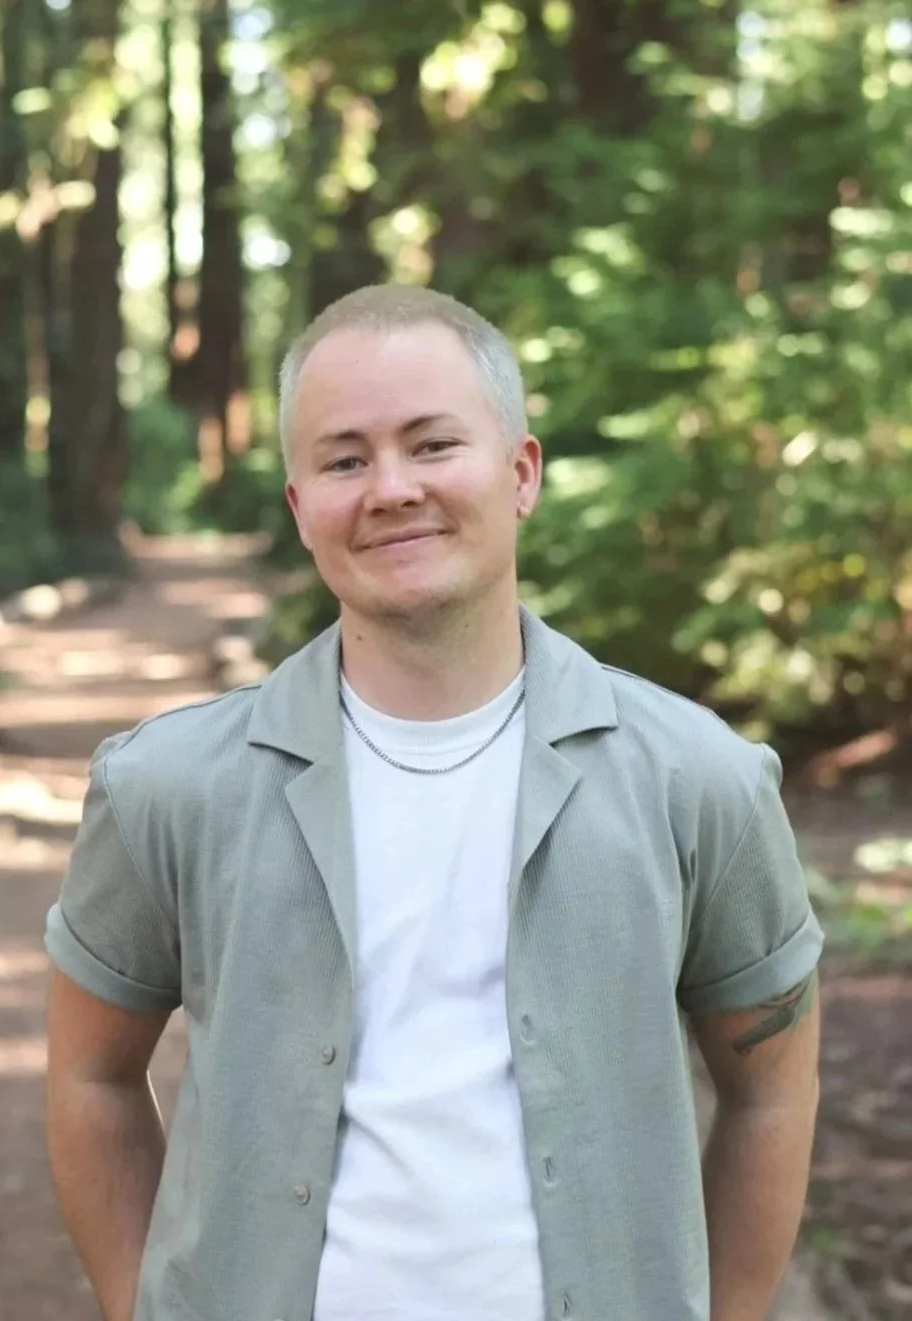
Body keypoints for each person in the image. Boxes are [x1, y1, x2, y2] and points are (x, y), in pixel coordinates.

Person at [44, 284, 823, 1321]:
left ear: (520, 471)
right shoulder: (167, 789)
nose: (390, 488)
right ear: (297, 505)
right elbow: (91, 1079)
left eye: (431, 443)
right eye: (343, 459)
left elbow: (768, 1090)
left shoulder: (698, 782)